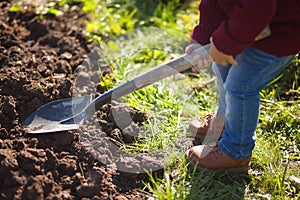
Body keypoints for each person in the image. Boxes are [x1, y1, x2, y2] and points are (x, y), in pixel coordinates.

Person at [185, 0, 300, 173]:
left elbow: (259, 7)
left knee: (240, 87)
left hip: (280, 34)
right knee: (221, 66)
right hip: (245, 27)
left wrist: (224, 43)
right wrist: (201, 38)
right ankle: (225, 121)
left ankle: (236, 152)